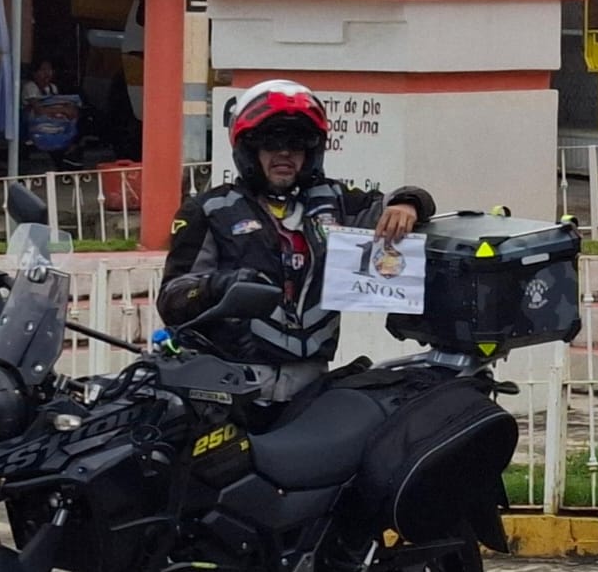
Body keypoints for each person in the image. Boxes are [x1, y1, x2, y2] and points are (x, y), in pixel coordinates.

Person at [157, 77, 434, 404]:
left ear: (312, 150)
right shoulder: (210, 209)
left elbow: (392, 205)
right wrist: (220, 286)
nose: (285, 152)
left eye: (297, 142)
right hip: (230, 384)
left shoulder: (334, 200)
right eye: (272, 142)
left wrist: (409, 203)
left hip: (311, 385)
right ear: (249, 148)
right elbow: (171, 299)